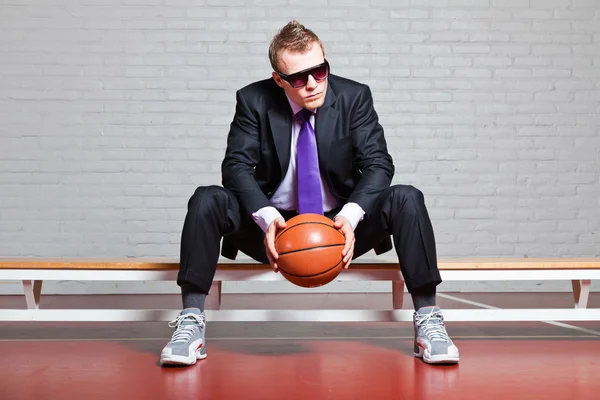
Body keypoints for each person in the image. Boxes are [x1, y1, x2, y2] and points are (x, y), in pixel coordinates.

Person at [159, 20, 459, 366]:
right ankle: (191, 323)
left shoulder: (354, 96)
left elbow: (378, 165)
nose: (313, 84)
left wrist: (349, 216)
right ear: (278, 79)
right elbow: (236, 168)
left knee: (406, 196)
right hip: (274, 228)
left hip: (341, 226)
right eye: (299, 78)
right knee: (206, 198)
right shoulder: (253, 100)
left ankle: (428, 320)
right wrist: (268, 218)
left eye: (320, 70)